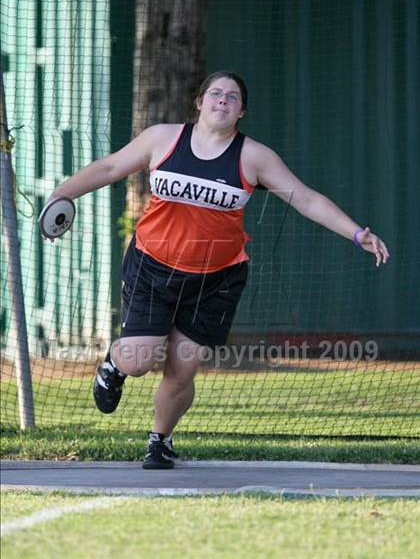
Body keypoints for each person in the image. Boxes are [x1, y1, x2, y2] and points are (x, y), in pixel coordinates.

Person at [43, 70, 390, 469]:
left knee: (183, 365)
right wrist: (62, 193)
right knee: (140, 359)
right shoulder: (163, 138)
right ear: (200, 102)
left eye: (232, 97)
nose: (222, 101)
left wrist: (357, 232)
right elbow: (108, 168)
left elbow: (306, 199)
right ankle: (114, 365)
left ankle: (160, 440)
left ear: (242, 111)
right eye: (215, 94)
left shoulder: (253, 157)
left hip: (217, 277)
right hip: (153, 266)